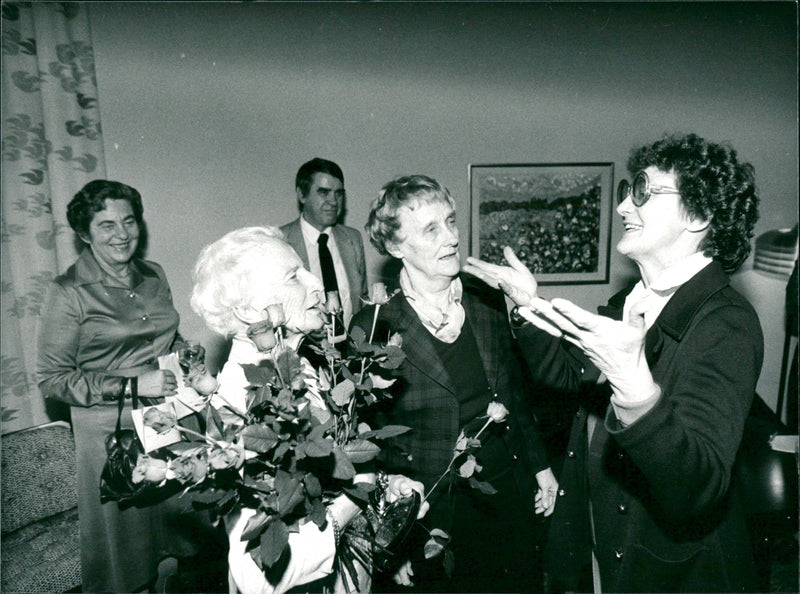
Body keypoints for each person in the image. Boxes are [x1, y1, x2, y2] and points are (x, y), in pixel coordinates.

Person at [464, 133, 763, 593]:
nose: (624, 207)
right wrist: (527, 305)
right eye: (627, 192)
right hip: (601, 545)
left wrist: (634, 386)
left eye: (642, 192)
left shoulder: (727, 323)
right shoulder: (631, 300)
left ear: (699, 215)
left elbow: (698, 489)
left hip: (671, 572)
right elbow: (569, 382)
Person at [189, 226, 428, 594]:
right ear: (249, 309)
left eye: (305, 270)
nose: (316, 283)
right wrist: (351, 502)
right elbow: (260, 578)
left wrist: (384, 487)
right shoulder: (235, 406)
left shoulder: (299, 369)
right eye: (293, 276)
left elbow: (332, 472)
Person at [350, 175, 558, 593]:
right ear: (395, 247)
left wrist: (540, 464)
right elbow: (365, 440)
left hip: (508, 494)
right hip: (432, 515)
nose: (450, 238)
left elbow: (513, 391)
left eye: (450, 221)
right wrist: (389, 536)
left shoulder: (484, 298)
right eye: (430, 229)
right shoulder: (375, 325)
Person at [37, 180, 207, 593]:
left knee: (191, 534)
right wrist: (133, 384)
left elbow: (166, 338)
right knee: (129, 559)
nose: (122, 234)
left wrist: (188, 358)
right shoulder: (67, 292)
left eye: (128, 221)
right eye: (107, 225)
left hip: (172, 421)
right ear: (84, 233)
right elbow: (52, 380)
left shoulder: (154, 275)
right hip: (113, 437)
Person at [281, 158, 369, 327]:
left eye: (338, 193)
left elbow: (362, 301)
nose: (334, 201)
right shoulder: (281, 242)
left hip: (351, 349)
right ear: (301, 194)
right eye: (324, 193)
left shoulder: (353, 239)